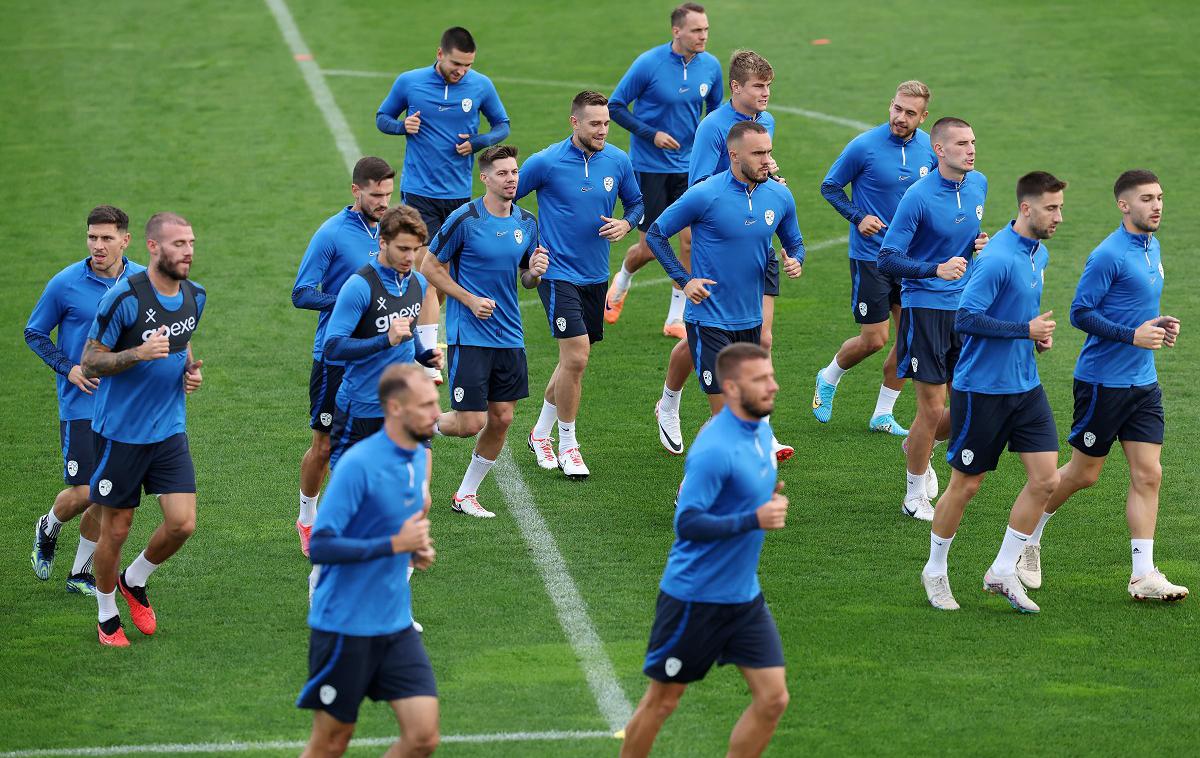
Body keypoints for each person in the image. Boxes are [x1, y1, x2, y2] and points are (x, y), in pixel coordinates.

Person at [1018, 169, 1187, 602]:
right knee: (1084, 473)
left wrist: (1157, 325)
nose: (1157, 205)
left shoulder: (1153, 247)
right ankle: (1027, 538)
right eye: (1147, 198)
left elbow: (1136, 307)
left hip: (1143, 382)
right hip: (1102, 382)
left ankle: (1142, 574)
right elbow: (1081, 313)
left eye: (1160, 197)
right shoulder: (1108, 254)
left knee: (1149, 474)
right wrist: (1132, 335)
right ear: (1124, 205)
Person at [621, 343, 790, 758]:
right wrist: (753, 518)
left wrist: (761, 500)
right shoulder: (715, 448)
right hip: (695, 598)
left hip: (744, 597)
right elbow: (688, 522)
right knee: (662, 701)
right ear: (731, 388)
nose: (774, 386)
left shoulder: (760, 430)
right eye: (760, 380)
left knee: (773, 699)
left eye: (770, 376)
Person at [920, 172, 1066, 613]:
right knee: (966, 486)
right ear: (1026, 208)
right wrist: (1024, 329)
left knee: (1047, 479)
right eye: (1051, 208)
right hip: (982, 390)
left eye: (1060, 207)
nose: (1059, 216)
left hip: (1025, 387)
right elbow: (966, 319)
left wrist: (1034, 337)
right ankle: (935, 570)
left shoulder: (1037, 253)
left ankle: (1002, 570)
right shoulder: (998, 257)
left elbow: (1015, 312)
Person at [654, 50, 794, 459]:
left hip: (757, 239)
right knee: (708, 331)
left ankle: (757, 426)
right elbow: (699, 184)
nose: (766, 93)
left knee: (757, 337)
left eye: (769, 86)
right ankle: (671, 403)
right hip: (721, 243)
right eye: (759, 86)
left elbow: (760, 167)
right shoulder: (712, 128)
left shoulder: (765, 123)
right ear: (736, 88)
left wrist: (768, 176)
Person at [298, 364, 441, 758]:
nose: (437, 413)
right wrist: (394, 544)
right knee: (331, 742)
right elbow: (322, 546)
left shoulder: (414, 458)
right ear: (395, 408)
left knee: (423, 736)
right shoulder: (358, 465)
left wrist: (413, 548)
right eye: (427, 405)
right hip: (345, 625)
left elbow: (396, 531)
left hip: (394, 623)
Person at [81, 212, 206, 647]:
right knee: (116, 529)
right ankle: (106, 612)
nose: (187, 251)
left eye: (190, 243)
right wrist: (137, 352)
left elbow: (184, 338)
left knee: (182, 524)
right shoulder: (124, 299)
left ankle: (134, 579)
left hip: (169, 429)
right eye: (178, 244)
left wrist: (189, 371)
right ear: (152, 247)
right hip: (121, 433)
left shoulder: (195, 295)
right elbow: (91, 360)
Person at [293, 157, 428, 556]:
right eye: (375, 195)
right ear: (356, 191)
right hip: (337, 360)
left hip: (387, 367)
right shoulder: (331, 234)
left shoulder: (396, 233)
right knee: (325, 447)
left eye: (388, 194)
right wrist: (358, 301)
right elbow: (301, 293)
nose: (383, 201)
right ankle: (308, 517)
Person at [517, 90, 644, 479]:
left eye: (606, 123)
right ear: (575, 122)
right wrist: (527, 251)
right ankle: (568, 444)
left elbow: (636, 204)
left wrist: (626, 223)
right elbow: (505, 202)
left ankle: (540, 433)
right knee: (576, 358)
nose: (603, 130)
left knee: (571, 362)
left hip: (595, 275)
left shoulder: (618, 161)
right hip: (556, 275)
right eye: (595, 124)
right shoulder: (546, 162)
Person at [376, 26, 511, 383]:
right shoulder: (410, 82)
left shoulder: (480, 86)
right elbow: (382, 118)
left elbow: (503, 125)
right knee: (427, 274)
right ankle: (426, 354)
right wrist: (402, 125)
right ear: (440, 54)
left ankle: (423, 340)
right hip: (419, 193)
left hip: (458, 195)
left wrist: (479, 141)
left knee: (443, 276)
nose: (461, 71)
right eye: (456, 64)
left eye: (467, 65)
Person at [420, 145, 549, 518]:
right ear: (485, 178)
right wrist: (468, 299)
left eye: (515, 172)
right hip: (470, 335)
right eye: (504, 173)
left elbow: (525, 278)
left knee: (503, 417)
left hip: (510, 334)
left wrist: (535, 271)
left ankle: (466, 495)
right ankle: (415, 428)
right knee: (468, 422)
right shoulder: (465, 218)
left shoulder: (527, 221)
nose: (512, 179)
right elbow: (430, 266)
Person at [25, 205, 147, 596]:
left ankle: (80, 573)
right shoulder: (65, 284)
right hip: (81, 403)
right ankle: (49, 524)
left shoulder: (142, 281)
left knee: (105, 492)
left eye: (107, 238)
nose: (98, 245)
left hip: (125, 406)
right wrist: (69, 368)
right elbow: (35, 333)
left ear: (124, 240)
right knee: (83, 492)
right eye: (92, 237)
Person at [878, 117, 989, 521]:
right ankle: (912, 495)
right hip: (925, 309)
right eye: (961, 143)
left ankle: (915, 446)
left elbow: (965, 240)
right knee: (930, 408)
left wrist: (979, 244)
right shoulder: (918, 197)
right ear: (939, 150)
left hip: (966, 309)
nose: (971, 149)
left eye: (973, 141)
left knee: (967, 404)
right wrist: (934, 269)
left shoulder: (979, 184)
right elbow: (887, 257)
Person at [813, 81, 938, 436]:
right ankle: (829, 375)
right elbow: (830, 186)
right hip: (872, 256)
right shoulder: (864, 146)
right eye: (897, 108)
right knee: (874, 339)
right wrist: (858, 217)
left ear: (923, 116)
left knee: (910, 339)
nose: (900, 117)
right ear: (890, 105)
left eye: (910, 113)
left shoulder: (931, 149)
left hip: (913, 260)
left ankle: (882, 414)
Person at [603, 3, 722, 334]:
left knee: (689, 241)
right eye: (697, 30)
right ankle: (623, 278)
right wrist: (651, 135)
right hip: (650, 166)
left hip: (689, 168)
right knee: (650, 248)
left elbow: (715, 113)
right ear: (677, 31)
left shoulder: (710, 67)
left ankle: (675, 318)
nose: (703, 36)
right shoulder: (649, 64)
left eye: (706, 30)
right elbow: (615, 106)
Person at [322, 205, 442, 470]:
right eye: (403, 249)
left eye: (415, 249)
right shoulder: (359, 286)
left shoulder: (417, 283)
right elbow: (332, 347)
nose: (411, 257)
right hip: (360, 409)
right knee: (356, 501)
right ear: (383, 242)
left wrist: (425, 355)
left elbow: (407, 332)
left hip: (402, 407)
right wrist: (384, 341)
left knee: (412, 499)